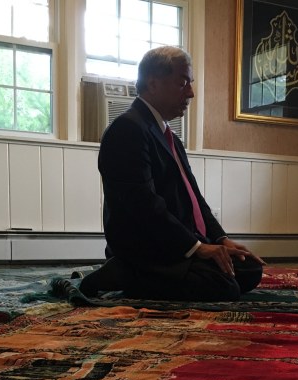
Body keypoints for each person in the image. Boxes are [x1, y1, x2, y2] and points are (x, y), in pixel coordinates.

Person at [81, 46, 264, 302]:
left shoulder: (170, 137)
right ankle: (125, 272)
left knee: (249, 269)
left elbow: (194, 200)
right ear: (153, 83)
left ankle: (156, 273)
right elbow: (143, 206)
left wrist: (221, 239)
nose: (190, 92)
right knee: (224, 286)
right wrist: (198, 248)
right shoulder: (127, 130)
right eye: (183, 83)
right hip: (147, 249)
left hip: (175, 244)